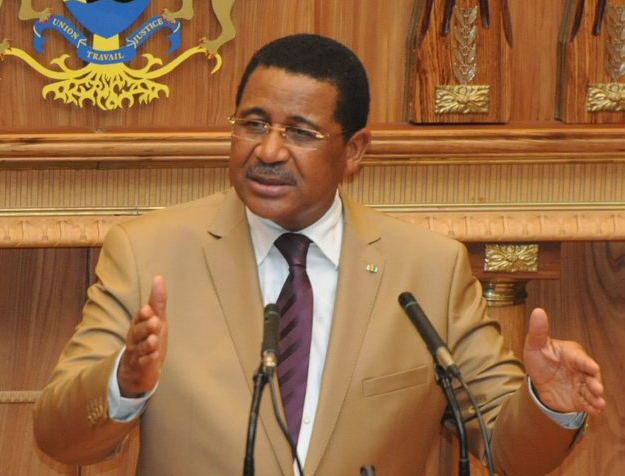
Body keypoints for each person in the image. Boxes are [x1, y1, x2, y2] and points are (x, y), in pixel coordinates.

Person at [34, 34, 605, 476]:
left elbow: (505, 446)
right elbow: (57, 436)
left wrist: (548, 404)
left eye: (300, 132)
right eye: (253, 124)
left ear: (354, 151)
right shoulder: (148, 253)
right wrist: (123, 384)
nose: (268, 150)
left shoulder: (428, 269)